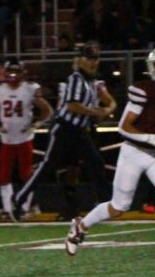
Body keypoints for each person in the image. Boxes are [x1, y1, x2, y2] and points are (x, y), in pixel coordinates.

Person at [65, 46, 155, 260]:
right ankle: (81, 226)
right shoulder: (145, 90)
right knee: (119, 206)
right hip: (134, 152)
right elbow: (124, 128)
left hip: (154, 156)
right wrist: (151, 138)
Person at [10, 44, 117, 223]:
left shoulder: (93, 81)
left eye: (95, 58)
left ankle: (105, 205)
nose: (93, 62)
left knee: (96, 163)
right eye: (89, 58)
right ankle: (18, 200)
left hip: (80, 131)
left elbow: (111, 101)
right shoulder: (76, 78)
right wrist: (98, 112)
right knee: (47, 166)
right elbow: (72, 105)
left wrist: (107, 109)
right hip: (65, 129)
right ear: (80, 59)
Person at [0, 61, 52, 218]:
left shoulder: (29, 89)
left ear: (22, 73)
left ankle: (24, 208)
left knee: (25, 173)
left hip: (24, 138)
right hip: (6, 139)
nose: (13, 76)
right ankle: (8, 209)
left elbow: (47, 110)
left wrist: (35, 125)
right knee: (3, 175)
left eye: (15, 72)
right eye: (10, 73)